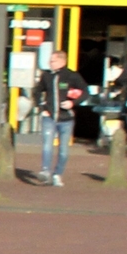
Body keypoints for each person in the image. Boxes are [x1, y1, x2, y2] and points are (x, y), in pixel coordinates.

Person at [30, 49, 86, 186]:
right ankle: (45, 171)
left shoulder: (72, 76)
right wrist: (41, 107)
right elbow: (37, 91)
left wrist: (73, 103)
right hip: (49, 117)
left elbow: (85, 92)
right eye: (50, 60)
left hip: (66, 119)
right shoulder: (47, 75)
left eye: (53, 61)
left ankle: (57, 174)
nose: (50, 63)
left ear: (62, 61)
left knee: (63, 151)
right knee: (47, 146)